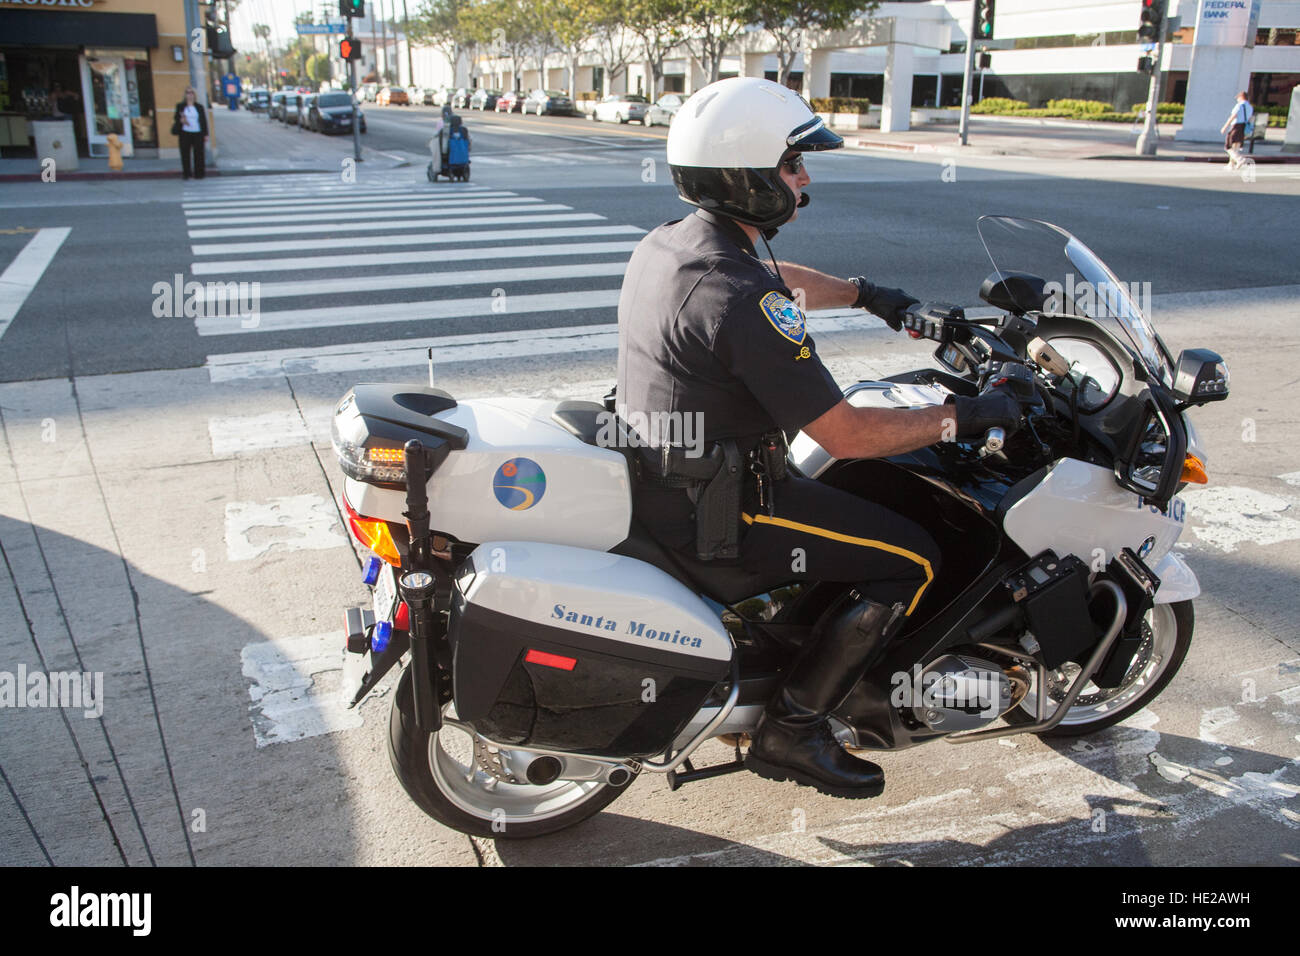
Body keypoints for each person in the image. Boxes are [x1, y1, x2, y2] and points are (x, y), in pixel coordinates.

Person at [615, 77, 1021, 799]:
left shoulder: (676, 245)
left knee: (850, 504)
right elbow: (848, 432)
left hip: (670, 479)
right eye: (792, 166)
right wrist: (971, 414)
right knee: (913, 558)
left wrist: (869, 294)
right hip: (727, 512)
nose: (805, 182)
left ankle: (806, 651)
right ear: (745, 174)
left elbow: (775, 276)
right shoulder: (746, 302)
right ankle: (793, 729)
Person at [172, 87, 209, 180]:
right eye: (188, 93)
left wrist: (205, 134)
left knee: (199, 154)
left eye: (192, 93)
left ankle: (199, 173)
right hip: (185, 133)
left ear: (194, 95)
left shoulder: (199, 107)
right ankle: (186, 173)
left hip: (197, 133)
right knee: (185, 153)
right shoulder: (180, 106)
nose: (190, 95)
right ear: (185, 95)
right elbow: (176, 118)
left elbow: (203, 121)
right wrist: (181, 120)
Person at [1220, 91, 1253, 170]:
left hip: (1236, 126)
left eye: (1238, 98)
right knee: (1236, 146)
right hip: (1244, 127)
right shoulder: (1250, 107)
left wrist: (1225, 126)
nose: (1237, 99)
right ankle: (1231, 164)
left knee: (1228, 145)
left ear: (1241, 97)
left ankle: (1239, 159)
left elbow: (1233, 116)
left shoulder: (1239, 106)